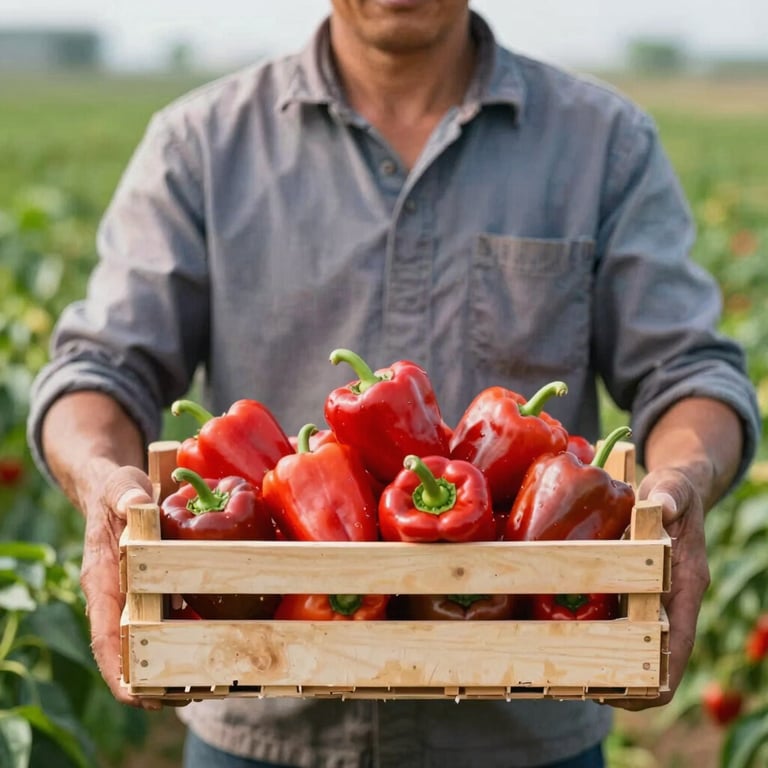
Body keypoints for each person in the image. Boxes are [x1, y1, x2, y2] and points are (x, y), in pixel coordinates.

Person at [27, 2, 760, 767]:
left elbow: (690, 371)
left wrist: (686, 476)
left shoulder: (604, 143)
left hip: (530, 722)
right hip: (262, 717)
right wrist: (101, 483)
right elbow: (100, 368)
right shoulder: (200, 144)